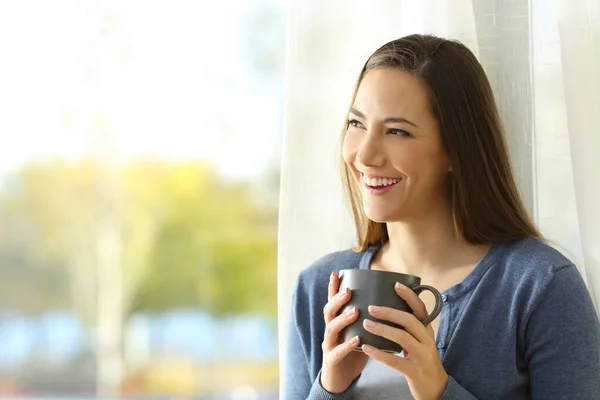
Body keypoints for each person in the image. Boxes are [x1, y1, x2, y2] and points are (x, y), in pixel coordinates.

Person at [283, 34, 600, 400]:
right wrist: (329, 388)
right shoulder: (318, 287)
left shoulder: (540, 287)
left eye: (397, 131)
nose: (366, 155)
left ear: (454, 149)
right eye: (357, 124)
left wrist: (439, 391)